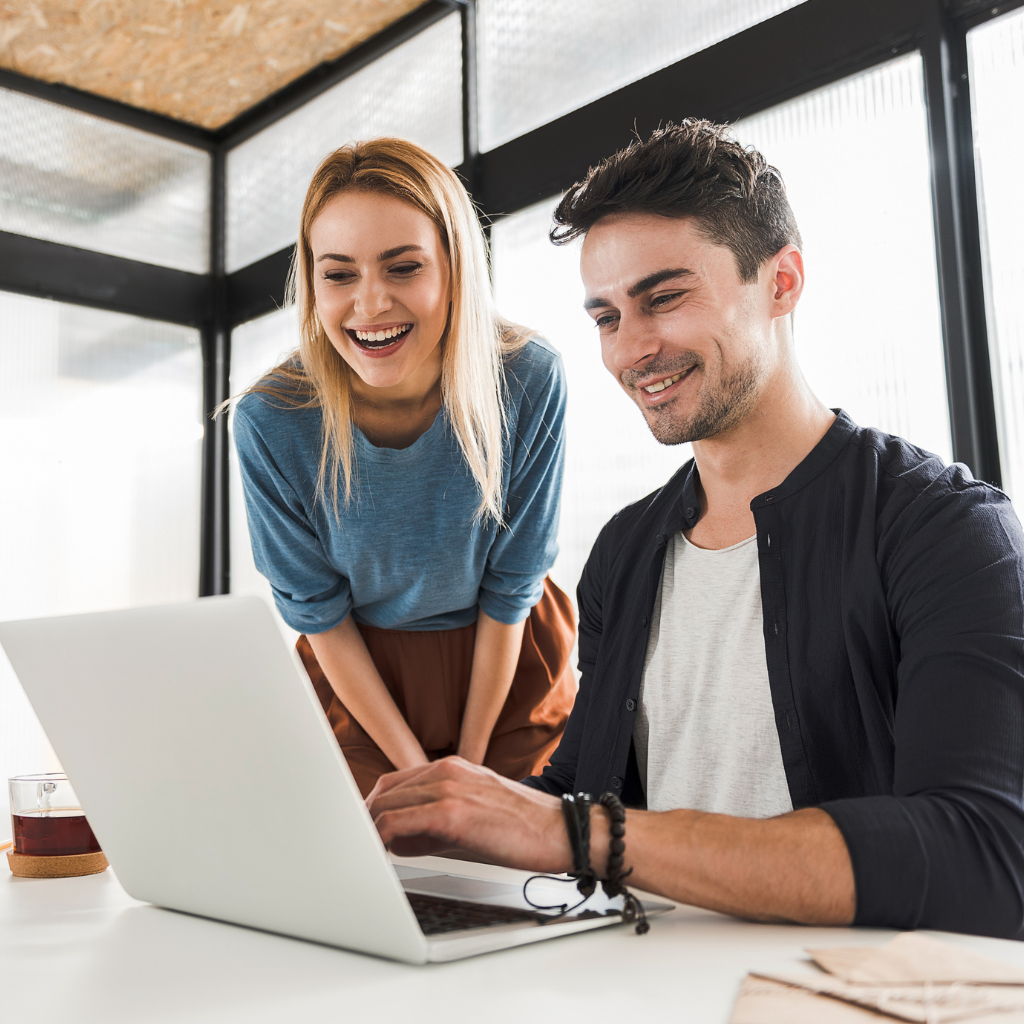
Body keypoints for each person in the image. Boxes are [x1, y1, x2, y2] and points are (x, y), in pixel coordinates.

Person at [367, 120, 1024, 939]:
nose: (632, 350)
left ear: (782, 281)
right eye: (605, 316)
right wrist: (438, 825)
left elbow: (984, 855)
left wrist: (572, 833)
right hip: (643, 985)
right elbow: (585, 782)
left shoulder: (947, 531)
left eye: (664, 297)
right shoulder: (625, 550)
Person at [233, 138, 575, 798]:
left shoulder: (530, 379)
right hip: (361, 681)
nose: (370, 305)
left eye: (403, 268)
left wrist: (469, 772)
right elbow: (319, 613)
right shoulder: (270, 420)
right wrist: (420, 772)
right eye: (338, 274)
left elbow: (513, 586)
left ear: (454, 268)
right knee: (380, 872)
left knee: (519, 863)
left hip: (507, 662)